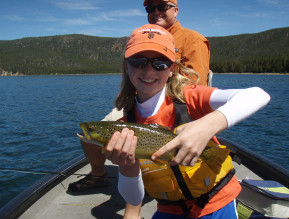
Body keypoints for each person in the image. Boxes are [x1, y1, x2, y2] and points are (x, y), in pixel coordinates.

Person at [103, 24, 270, 219]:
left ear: (172, 69)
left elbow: (258, 95)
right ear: (126, 67)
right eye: (138, 61)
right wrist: (127, 167)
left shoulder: (190, 98)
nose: (148, 69)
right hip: (168, 209)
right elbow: (134, 198)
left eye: (160, 62)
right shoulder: (125, 127)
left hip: (215, 204)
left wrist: (207, 125)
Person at [68, 0, 210, 193]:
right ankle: (98, 175)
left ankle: (135, 200)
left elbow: (195, 83)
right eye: (150, 8)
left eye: (162, 7)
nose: (156, 12)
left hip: (173, 104)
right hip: (135, 103)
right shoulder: (144, 35)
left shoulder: (192, 39)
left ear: (176, 10)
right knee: (89, 136)